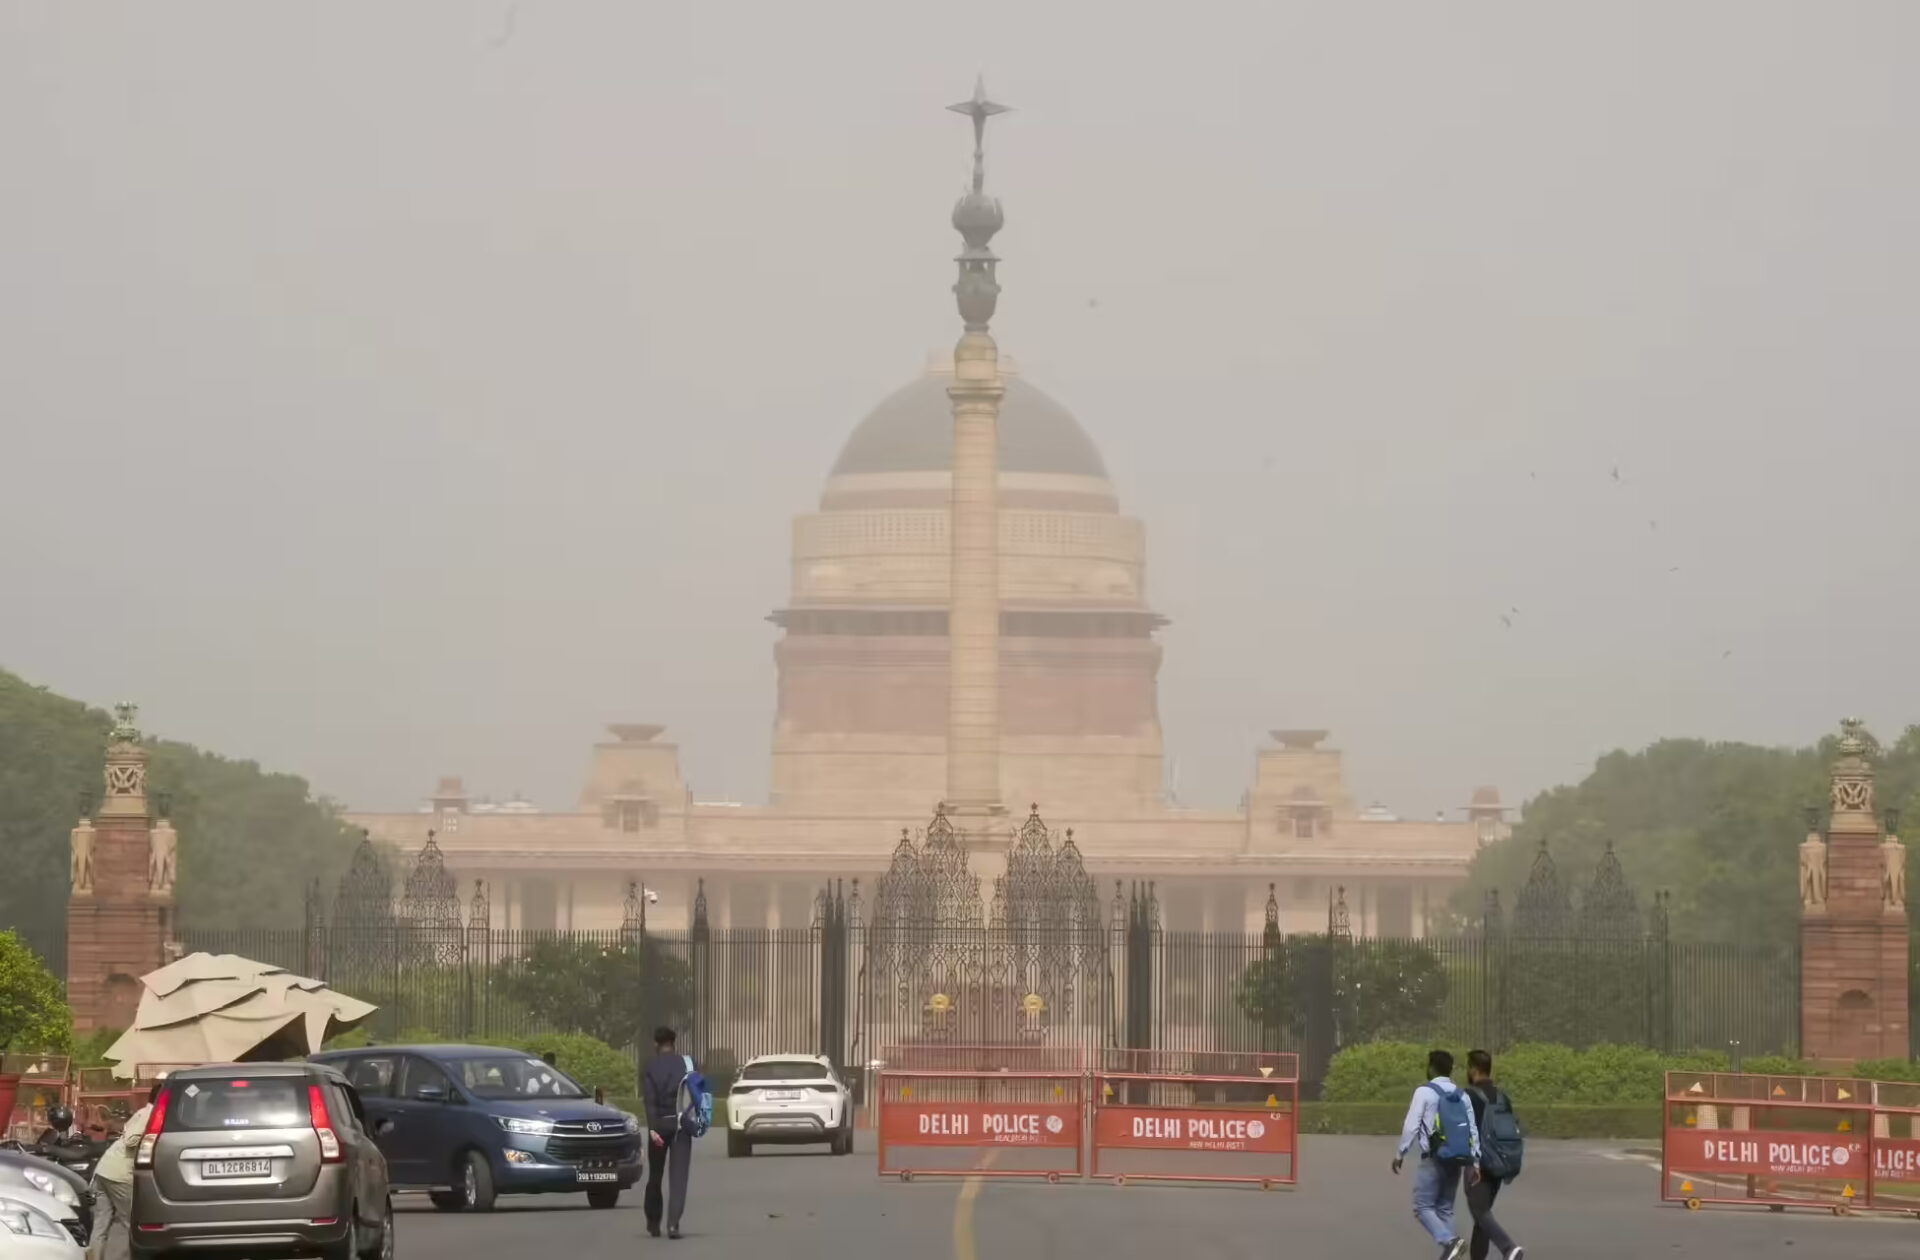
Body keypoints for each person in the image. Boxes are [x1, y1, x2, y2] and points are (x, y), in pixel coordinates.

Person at [1393, 1049, 1480, 1260]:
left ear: (1432, 1068)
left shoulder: (1424, 1092)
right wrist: (1475, 1161)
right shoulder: (1462, 1095)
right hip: (1457, 1159)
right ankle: (1452, 1251)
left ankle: (1449, 1241)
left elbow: (1411, 1126)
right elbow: (1472, 1128)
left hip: (1433, 1158)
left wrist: (1400, 1153)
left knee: (1422, 1207)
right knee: (1445, 1209)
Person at [1464, 1050, 1524, 1260]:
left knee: (1479, 1211)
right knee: (1482, 1215)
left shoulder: (1469, 1096)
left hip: (1478, 1164)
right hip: (1499, 1162)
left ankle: (1509, 1248)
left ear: (1473, 1069)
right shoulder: (1503, 1097)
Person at [91, 1083, 160, 1260]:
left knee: (100, 1226)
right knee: (132, 1224)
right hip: (119, 1174)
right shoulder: (150, 1115)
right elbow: (131, 1140)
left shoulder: (142, 1112)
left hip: (105, 1169)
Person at [640, 1026, 694, 1239]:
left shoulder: (651, 1068)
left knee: (655, 1174)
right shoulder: (687, 1064)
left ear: (656, 1044)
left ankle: (653, 1222)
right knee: (678, 1177)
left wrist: (653, 1129)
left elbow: (650, 1102)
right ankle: (673, 1224)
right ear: (674, 1043)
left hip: (660, 1126)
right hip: (682, 1125)